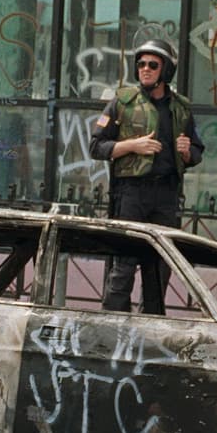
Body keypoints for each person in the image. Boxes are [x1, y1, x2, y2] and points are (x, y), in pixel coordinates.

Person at [89, 39, 204, 313]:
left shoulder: (180, 108)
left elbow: (197, 151)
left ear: (166, 70)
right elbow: (96, 146)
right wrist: (132, 146)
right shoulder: (122, 103)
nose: (145, 69)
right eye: (141, 64)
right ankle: (113, 323)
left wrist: (187, 152)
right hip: (131, 193)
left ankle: (152, 326)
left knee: (159, 266)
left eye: (153, 64)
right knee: (124, 263)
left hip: (166, 195)